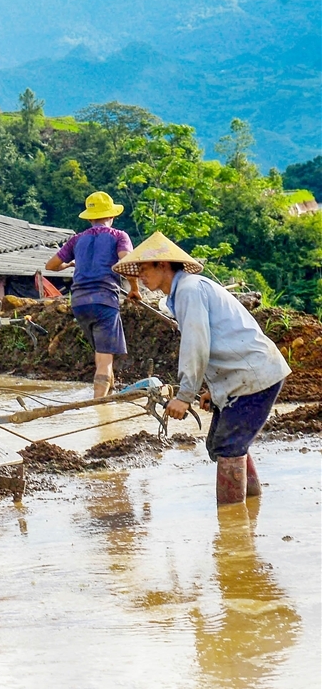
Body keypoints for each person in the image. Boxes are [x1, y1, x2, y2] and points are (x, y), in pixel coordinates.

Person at [113, 232, 291, 505]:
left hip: (254, 376)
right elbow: (218, 341)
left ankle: (232, 527)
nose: (140, 277)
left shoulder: (189, 290)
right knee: (224, 445)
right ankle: (250, 508)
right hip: (245, 376)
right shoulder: (185, 292)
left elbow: (196, 344)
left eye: (144, 269)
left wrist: (185, 396)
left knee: (228, 445)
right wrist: (213, 389)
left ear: (163, 265)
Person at [45, 191, 135, 397]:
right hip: (104, 301)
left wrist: (69, 264)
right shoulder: (120, 236)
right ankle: (99, 409)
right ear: (111, 216)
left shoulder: (77, 240)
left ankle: (109, 393)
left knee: (102, 352)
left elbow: (51, 265)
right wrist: (135, 290)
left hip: (79, 303)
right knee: (104, 358)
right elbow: (127, 262)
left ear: (90, 217)